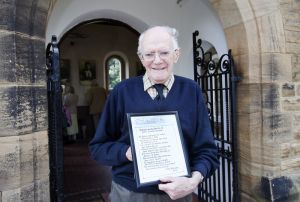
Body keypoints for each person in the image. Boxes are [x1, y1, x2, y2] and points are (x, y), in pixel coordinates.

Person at [89, 26, 219, 202]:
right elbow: (98, 147)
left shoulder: (191, 91)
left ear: (176, 54)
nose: (157, 61)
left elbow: (207, 151)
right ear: (141, 58)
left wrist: (192, 181)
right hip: (129, 194)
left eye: (164, 52)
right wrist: (128, 152)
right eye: (149, 54)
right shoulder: (122, 92)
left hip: (179, 194)